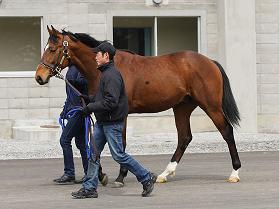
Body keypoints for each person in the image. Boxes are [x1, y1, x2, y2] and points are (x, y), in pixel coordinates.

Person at [71, 41, 155, 198]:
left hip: (112, 123)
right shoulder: (105, 73)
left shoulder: (111, 75)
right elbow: (102, 96)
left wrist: (90, 108)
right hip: (103, 122)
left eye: (98, 54)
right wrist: (89, 99)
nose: (95, 57)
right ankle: (89, 188)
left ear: (106, 56)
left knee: (119, 155)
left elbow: (111, 102)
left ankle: (146, 177)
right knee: (93, 154)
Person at [53, 64, 88, 184]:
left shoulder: (81, 66)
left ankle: (69, 173)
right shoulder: (71, 68)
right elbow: (70, 95)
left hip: (79, 110)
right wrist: (64, 110)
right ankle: (88, 173)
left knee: (64, 140)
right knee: (82, 144)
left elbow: (84, 84)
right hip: (75, 109)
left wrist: (71, 79)